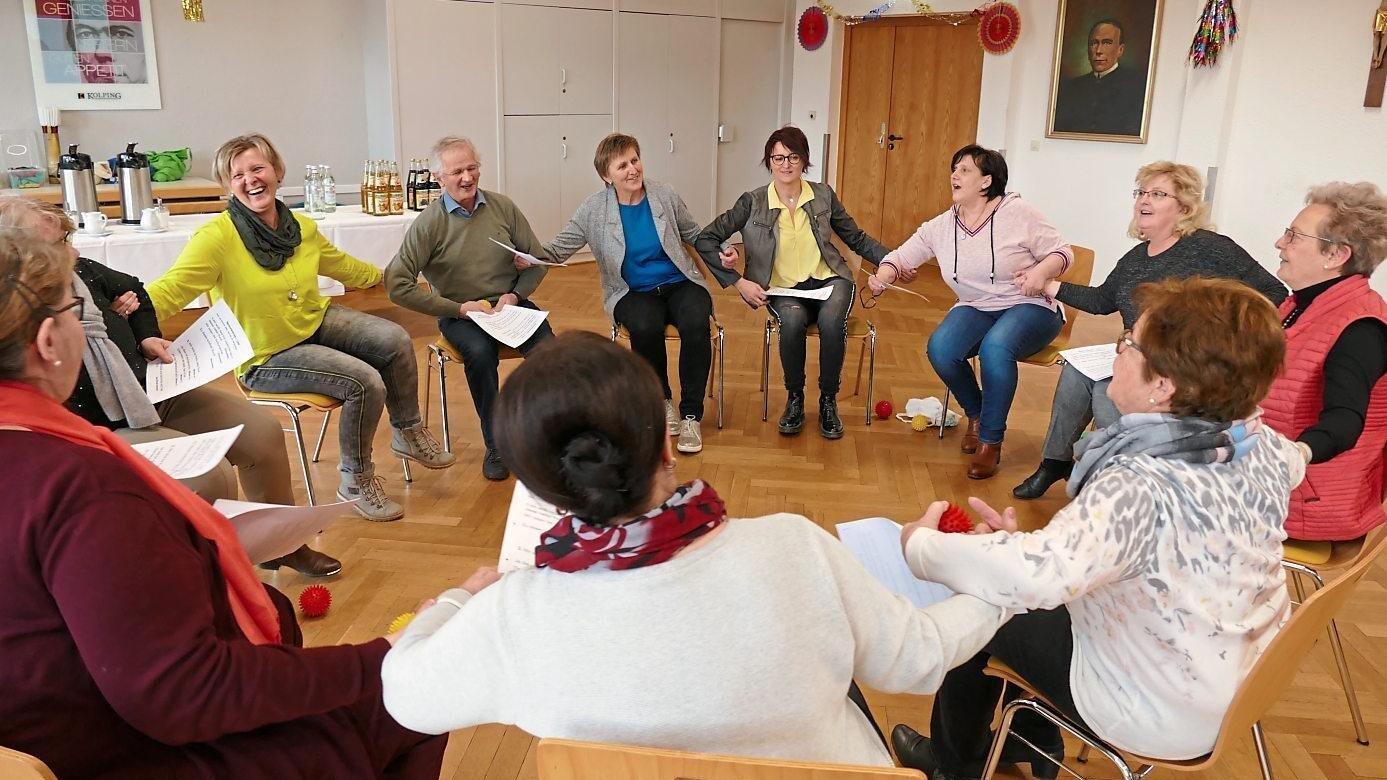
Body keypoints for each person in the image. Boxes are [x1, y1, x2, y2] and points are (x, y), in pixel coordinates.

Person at [379, 331, 1009, 766]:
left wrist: (459, 599)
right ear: (666, 445)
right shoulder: (794, 548)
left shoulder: (512, 616)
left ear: (542, 489)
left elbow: (404, 695)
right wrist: (997, 579)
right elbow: (917, 659)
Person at [0, 229, 446, 779]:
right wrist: (386, 654)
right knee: (414, 696)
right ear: (48, 342)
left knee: (277, 610)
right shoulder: (84, 487)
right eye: (78, 311)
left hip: (40, 729)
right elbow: (183, 694)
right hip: (109, 748)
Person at [890, 277, 1303, 780]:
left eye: (1128, 343)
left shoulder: (1140, 483)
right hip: (1239, 678)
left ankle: (956, 766)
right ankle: (1032, 743)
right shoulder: (1265, 445)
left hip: (1158, 707)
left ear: (1163, 385)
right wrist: (1019, 548)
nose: (1116, 351)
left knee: (983, 603)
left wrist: (921, 545)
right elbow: (1087, 558)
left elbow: (1036, 577)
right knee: (1026, 593)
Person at [0, 196, 340, 577]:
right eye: (56, 245)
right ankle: (212, 577)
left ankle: (280, 545)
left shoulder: (82, 273)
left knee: (262, 432)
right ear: (19, 256)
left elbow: (136, 290)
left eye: (66, 238)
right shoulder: (20, 321)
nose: (73, 251)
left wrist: (145, 334)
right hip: (105, 424)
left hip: (150, 392)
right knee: (211, 475)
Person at [148, 133, 455, 522]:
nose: (250, 179)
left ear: (277, 171)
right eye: (237, 175)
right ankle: (355, 481)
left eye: (257, 168)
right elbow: (173, 288)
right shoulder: (217, 238)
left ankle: (408, 432)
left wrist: (388, 275)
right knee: (364, 380)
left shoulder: (300, 227)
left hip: (313, 321)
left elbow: (344, 267)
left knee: (393, 338)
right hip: (265, 355)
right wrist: (129, 310)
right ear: (228, 185)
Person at [1012, 162, 1287, 499]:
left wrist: (1211, 333)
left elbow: (1273, 293)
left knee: (1105, 393)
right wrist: (1048, 285)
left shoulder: (1210, 247)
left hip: (1180, 366)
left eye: (1158, 194)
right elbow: (1102, 300)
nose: (1144, 200)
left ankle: (1118, 482)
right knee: (1075, 373)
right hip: (1137, 354)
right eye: (1141, 192)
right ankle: (1054, 463)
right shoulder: (1136, 258)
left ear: (1184, 207)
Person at [868, 144, 1072, 480]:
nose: (955, 175)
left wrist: (1040, 273)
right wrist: (884, 275)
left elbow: (1063, 253)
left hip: (1031, 305)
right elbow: (901, 256)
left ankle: (990, 441)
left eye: (965, 170)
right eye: (954, 169)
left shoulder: (1019, 213)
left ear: (986, 181)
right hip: (976, 305)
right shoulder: (943, 225)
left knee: (996, 347)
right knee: (941, 349)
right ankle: (977, 416)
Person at [519, 133, 713, 454]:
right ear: (606, 176)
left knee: (696, 321)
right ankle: (662, 401)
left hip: (679, 281)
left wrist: (721, 251)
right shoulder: (594, 209)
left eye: (635, 160)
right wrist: (528, 257)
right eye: (622, 165)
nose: (632, 169)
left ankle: (691, 414)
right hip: (631, 290)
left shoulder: (664, 194)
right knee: (645, 325)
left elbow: (693, 233)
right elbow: (558, 249)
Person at [695, 126, 889, 439]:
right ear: (769, 162)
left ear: (804, 160)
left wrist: (894, 260)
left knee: (832, 323)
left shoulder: (823, 195)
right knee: (794, 321)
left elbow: (856, 238)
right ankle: (795, 398)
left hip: (830, 281)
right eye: (778, 158)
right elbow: (706, 238)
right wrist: (738, 280)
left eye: (793, 157)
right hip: (783, 289)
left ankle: (828, 400)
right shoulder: (753, 201)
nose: (786, 164)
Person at [387, 135, 553, 480]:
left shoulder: (503, 207)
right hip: (462, 314)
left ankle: (548, 433)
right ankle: (497, 444)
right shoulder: (429, 224)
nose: (467, 178)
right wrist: (458, 308)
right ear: (438, 178)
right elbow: (397, 285)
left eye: (472, 168)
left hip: (509, 306)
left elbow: (538, 261)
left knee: (552, 355)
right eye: (457, 172)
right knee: (479, 353)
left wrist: (515, 295)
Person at [1263, 182, 1387, 541]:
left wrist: (1296, 454)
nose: (1280, 243)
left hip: (1308, 504)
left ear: (1335, 255)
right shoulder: (1296, 307)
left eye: (1294, 236)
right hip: (1267, 485)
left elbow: (1344, 421)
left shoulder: (1361, 328)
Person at [1052, 18, 1147, 136]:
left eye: (1107, 43)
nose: (1098, 51)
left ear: (1120, 50)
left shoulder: (1136, 87)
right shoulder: (1071, 88)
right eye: (1094, 43)